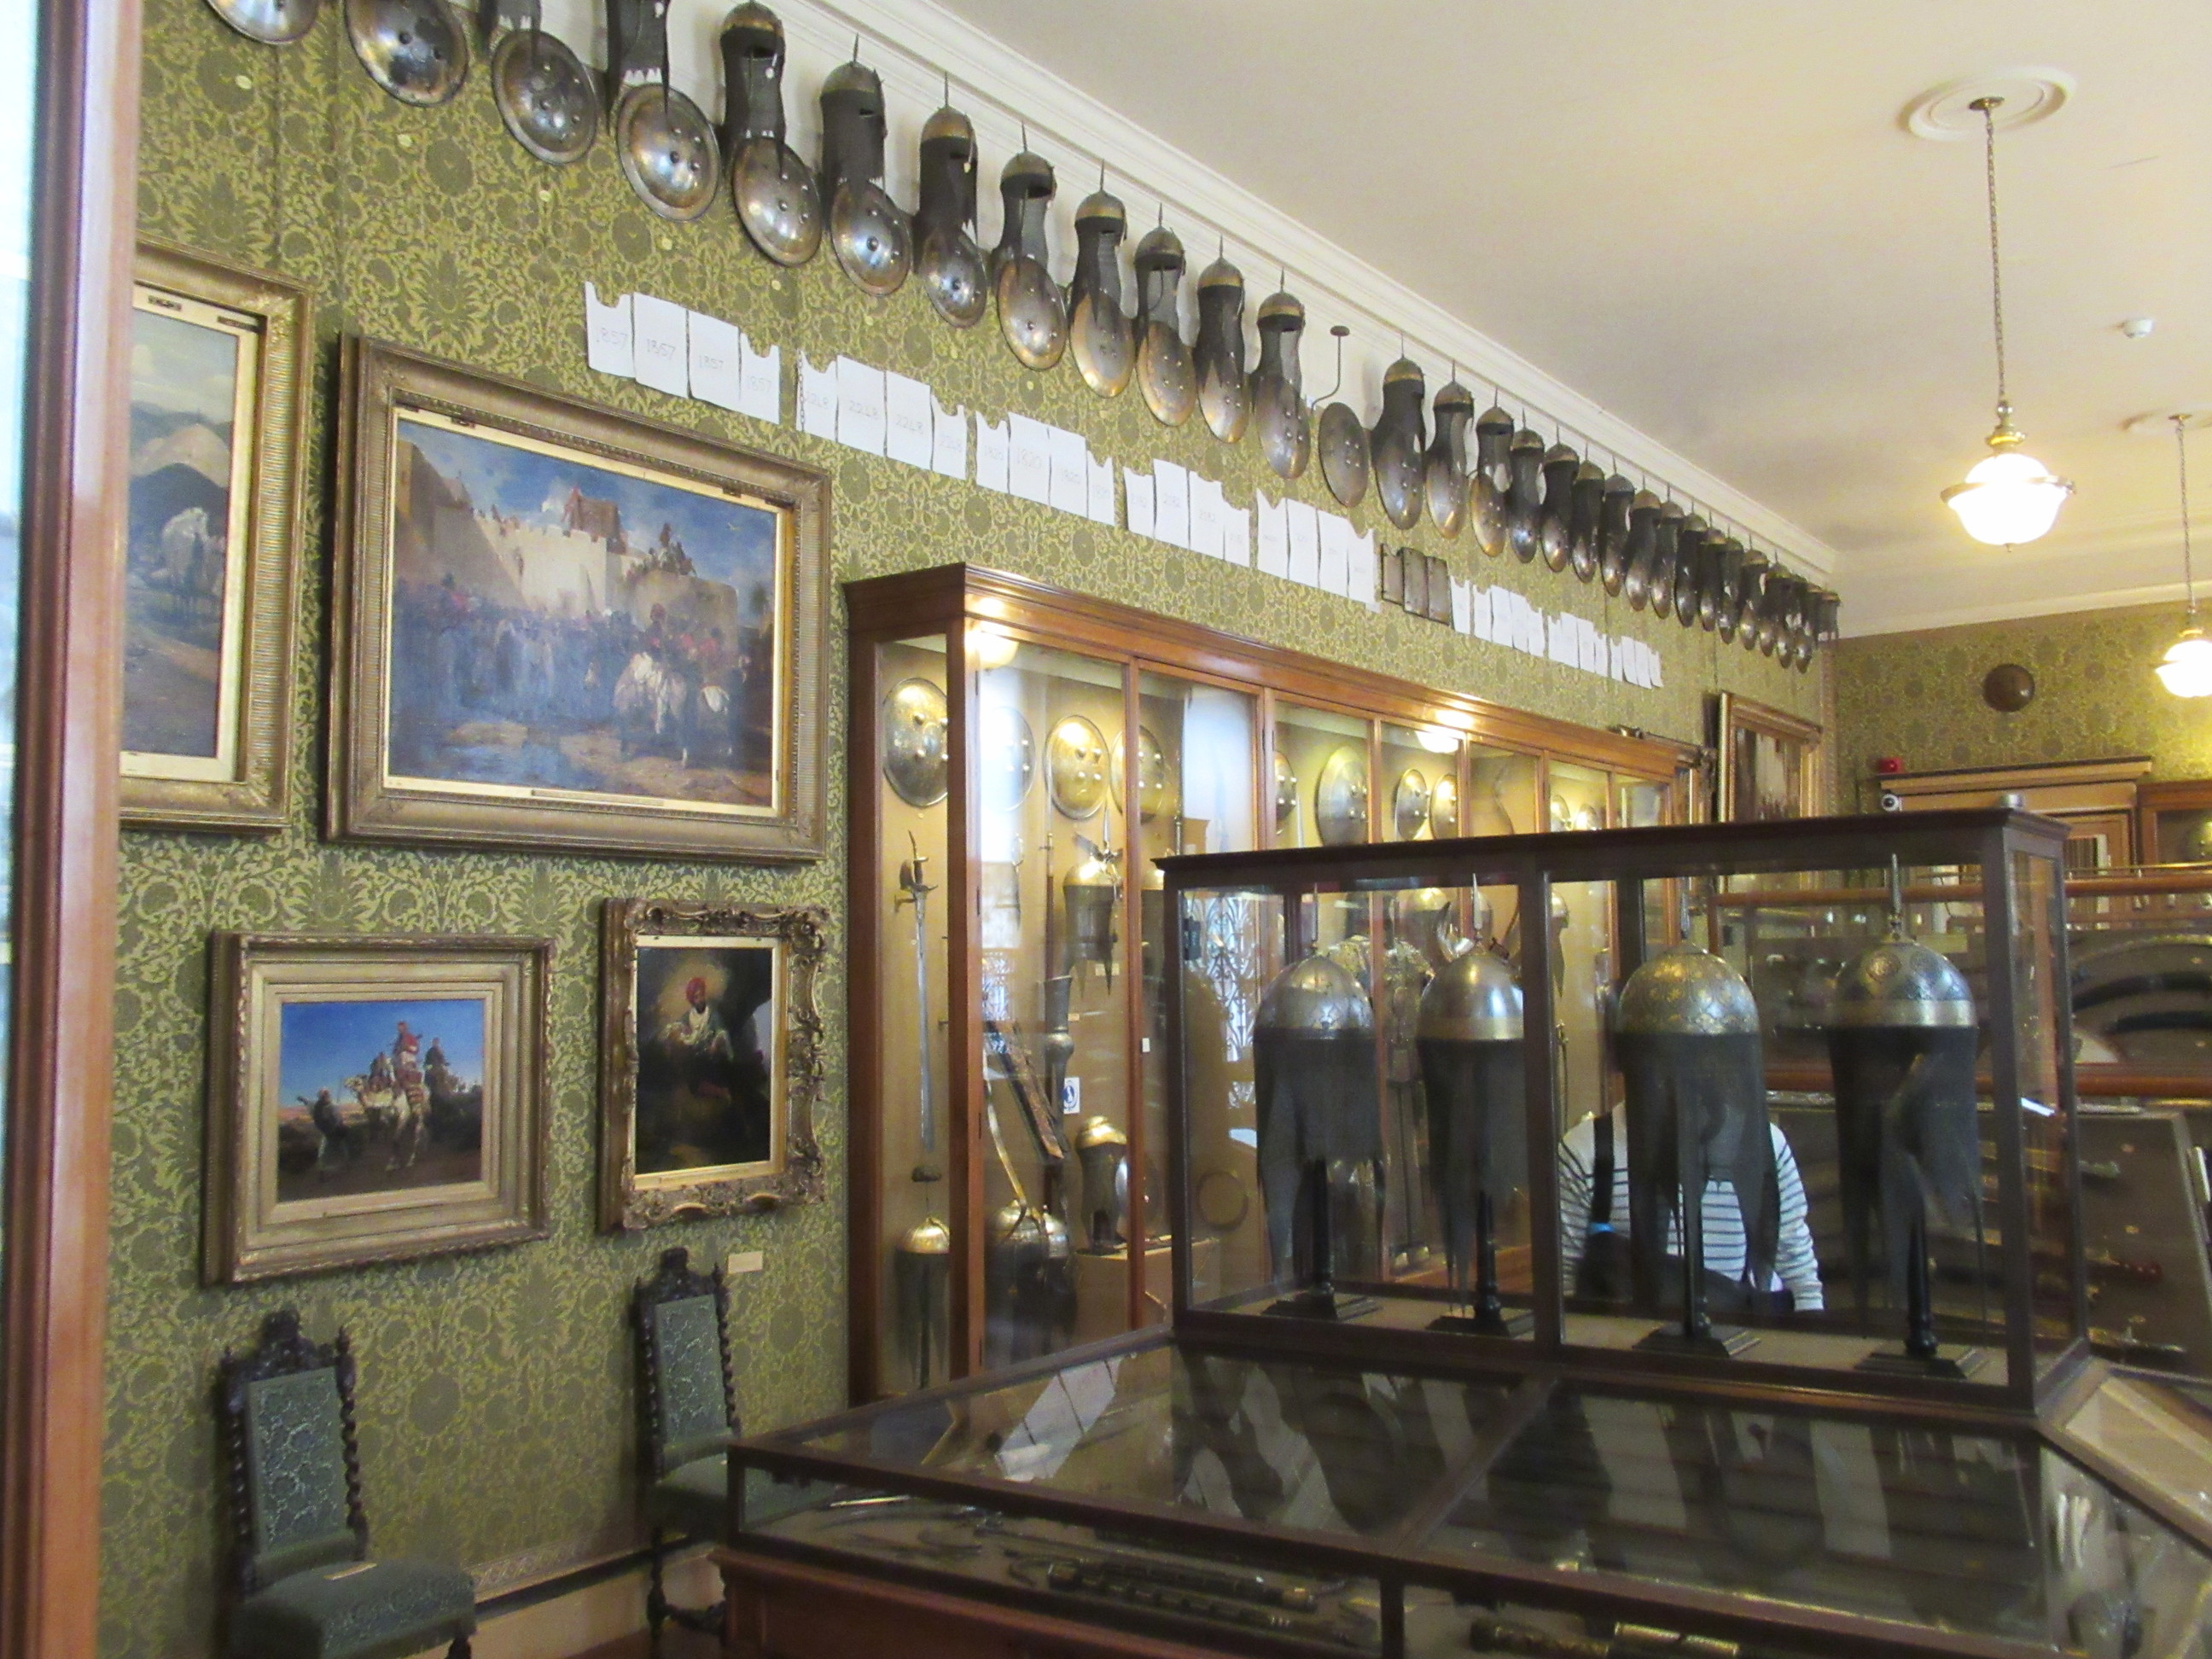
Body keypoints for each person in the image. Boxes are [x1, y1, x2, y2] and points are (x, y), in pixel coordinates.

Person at [1557, 1105, 1825, 1313]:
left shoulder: (1764, 1144)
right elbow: (1564, 1279)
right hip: (1628, 1348)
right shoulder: (1586, 1149)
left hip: (1740, 1340)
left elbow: (1797, 1266)